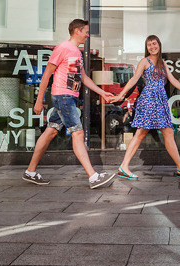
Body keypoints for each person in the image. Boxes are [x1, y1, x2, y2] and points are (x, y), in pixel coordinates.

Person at [23, 19, 118, 189]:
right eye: (86, 32)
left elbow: (83, 77)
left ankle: (30, 172)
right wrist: (39, 100)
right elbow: (47, 75)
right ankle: (93, 176)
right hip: (63, 97)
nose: (88, 35)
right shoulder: (63, 48)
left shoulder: (77, 52)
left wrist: (102, 92)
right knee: (78, 133)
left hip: (69, 98)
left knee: (50, 132)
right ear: (76, 31)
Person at [113, 34, 180, 180]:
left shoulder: (162, 63)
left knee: (168, 132)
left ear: (159, 45)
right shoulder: (144, 62)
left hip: (160, 100)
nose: (152, 47)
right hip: (149, 99)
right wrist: (121, 94)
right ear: (146, 48)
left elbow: (172, 80)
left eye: (154, 44)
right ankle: (124, 166)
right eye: (149, 45)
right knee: (143, 133)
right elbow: (134, 79)